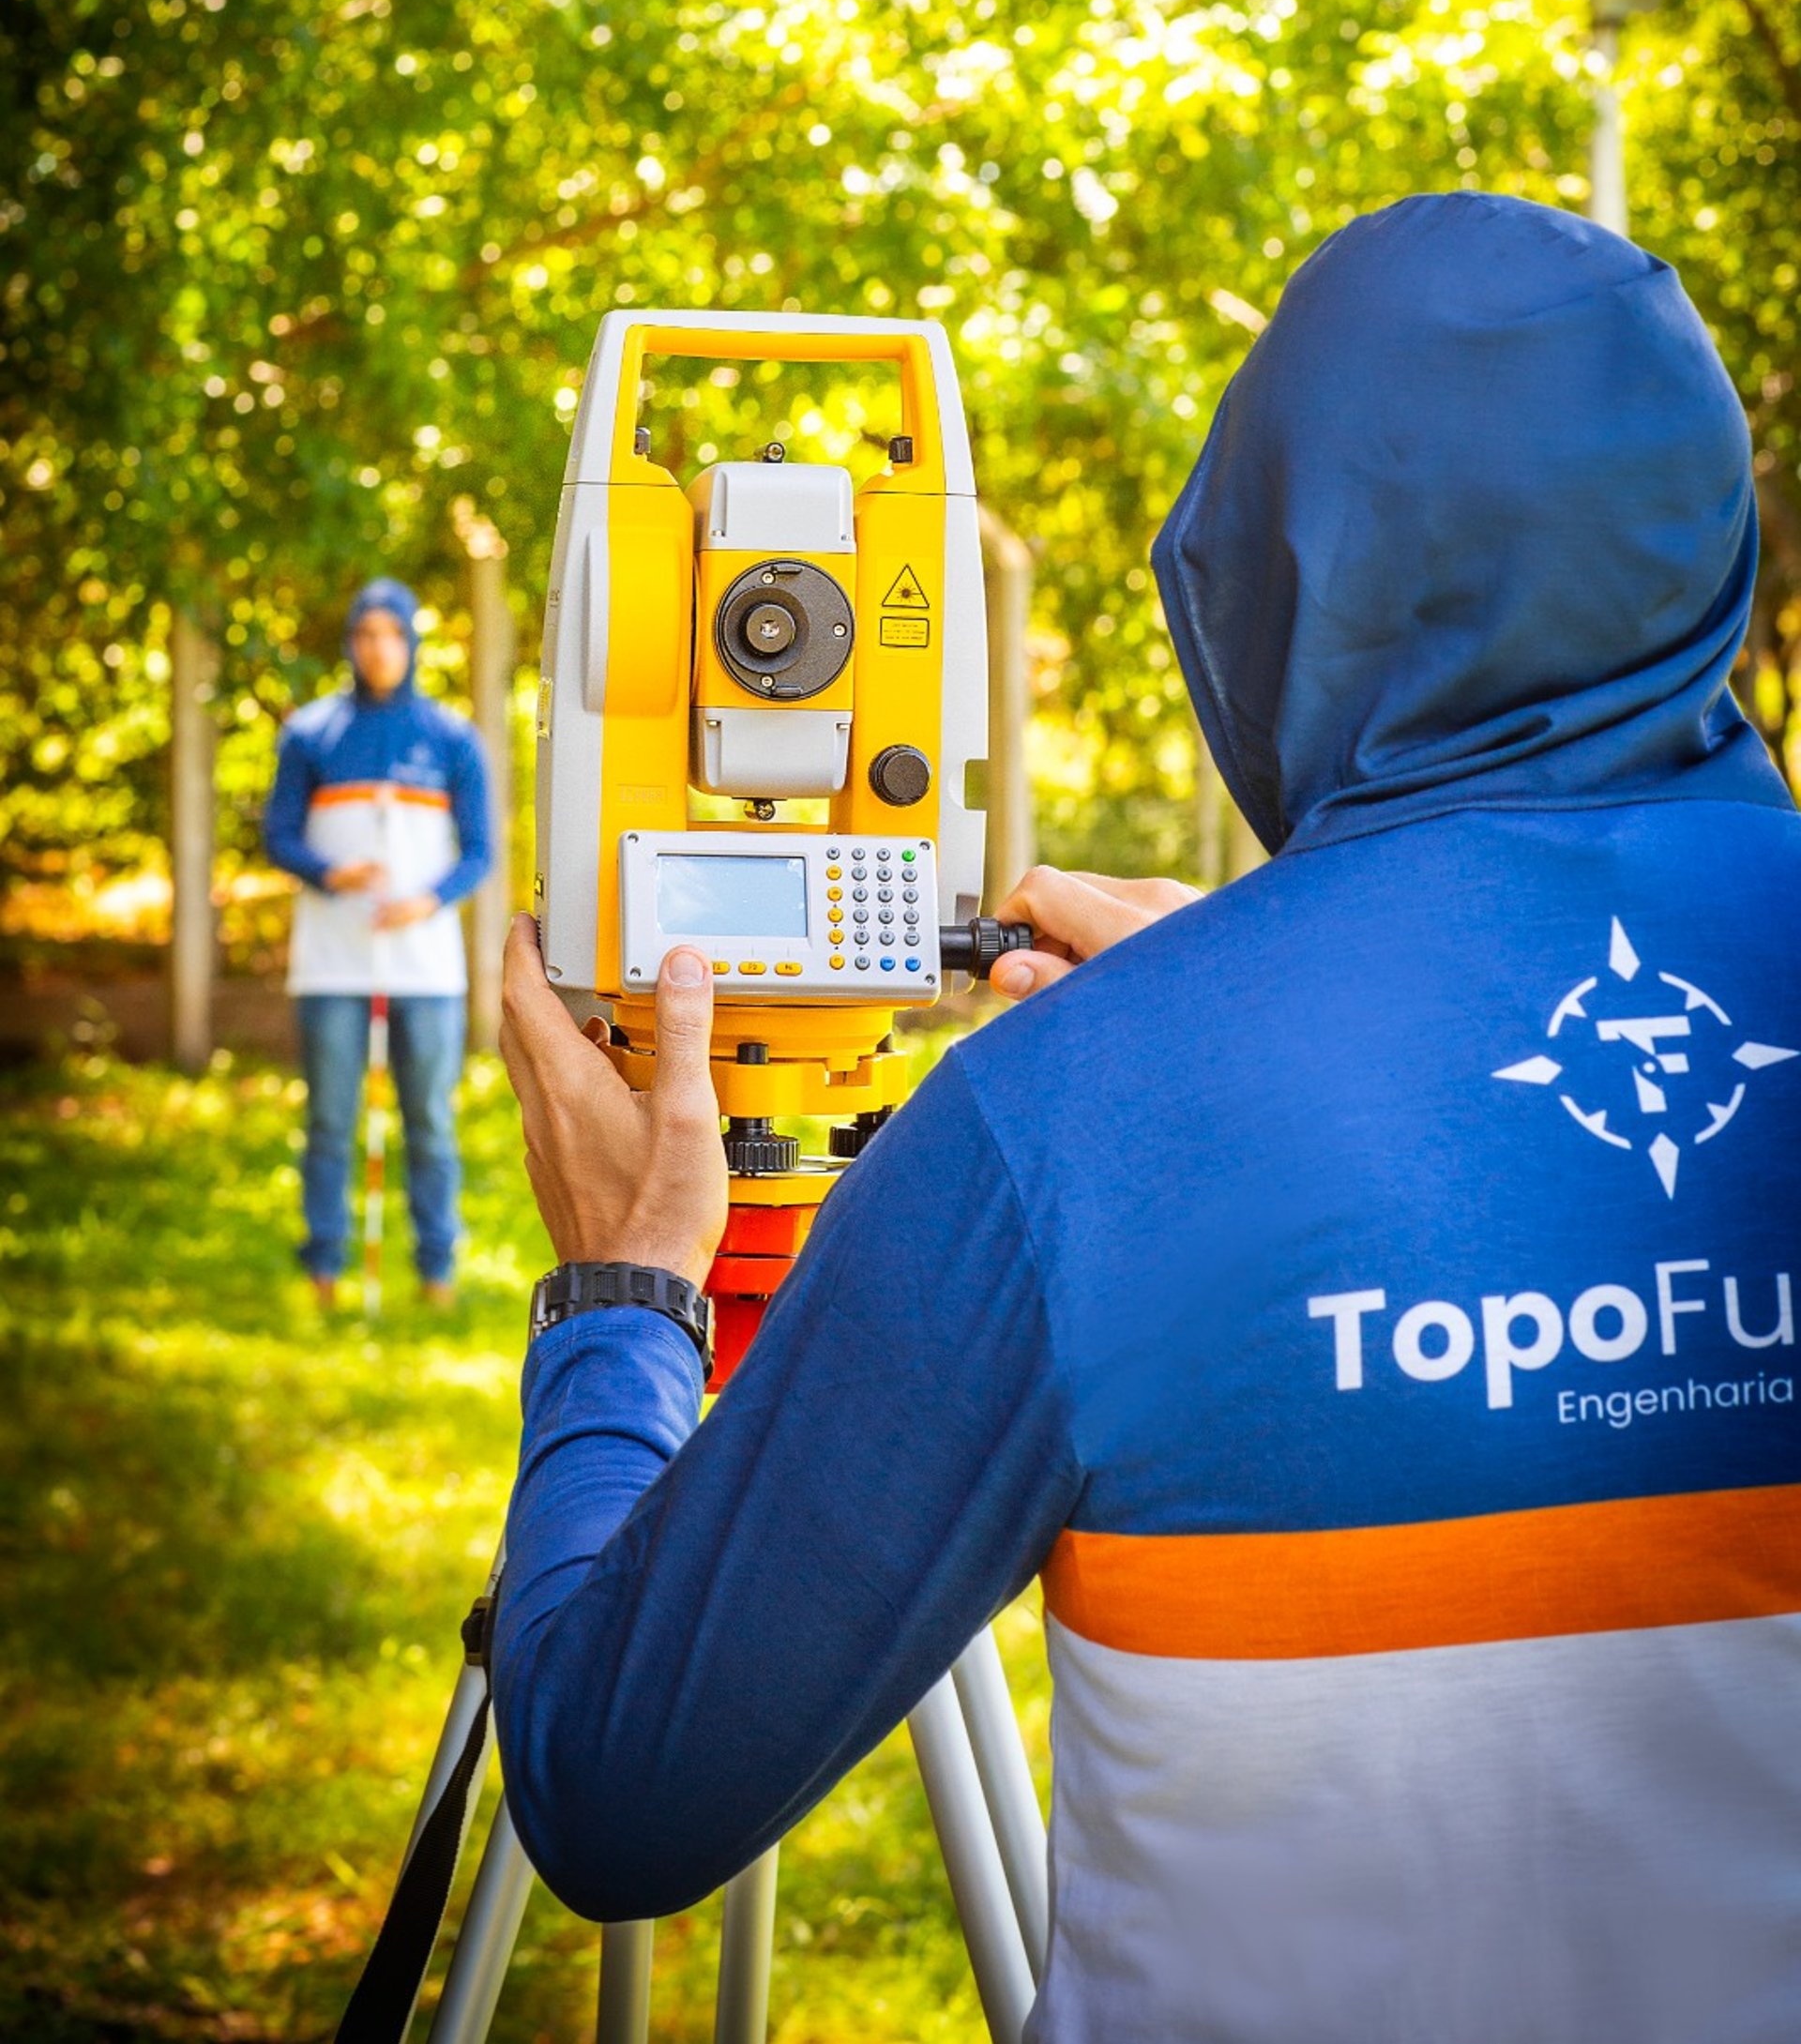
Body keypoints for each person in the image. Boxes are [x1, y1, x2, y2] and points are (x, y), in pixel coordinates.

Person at [491, 194, 1801, 2042]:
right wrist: (1282, 1028)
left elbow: (617, 1787)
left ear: (1269, 552)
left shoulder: (1077, 1117)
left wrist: (625, 1297)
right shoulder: (1118, 1088)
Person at [265, 580, 492, 1310]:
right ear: (349, 643)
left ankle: (438, 1270)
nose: (378, 646)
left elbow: (481, 851)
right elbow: (278, 834)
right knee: (331, 1118)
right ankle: (324, 1266)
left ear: (412, 641)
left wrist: (427, 900)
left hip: (426, 964)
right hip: (332, 957)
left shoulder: (452, 737)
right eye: (364, 633)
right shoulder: (312, 733)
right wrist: (331, 872)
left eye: (391, 632)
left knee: (429, 1117)